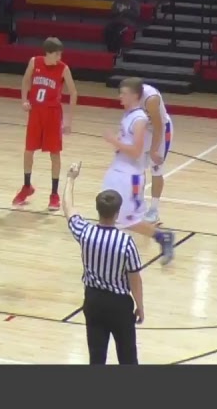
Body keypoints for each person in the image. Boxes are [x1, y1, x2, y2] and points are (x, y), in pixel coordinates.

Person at [62, 162, 143, 365]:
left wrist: (70, 179)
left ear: (97, 210)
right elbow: (135, 279)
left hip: (93, 301)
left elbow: (68, 208)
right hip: (119, 305)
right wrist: (140, 306)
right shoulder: (126, 243)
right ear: (117, 213)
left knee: (96, 358)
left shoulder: (85, 232)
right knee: (128, 358)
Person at [100, 79, 176, 260]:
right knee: (111, 212)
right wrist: (118, 141)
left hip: (130, 175)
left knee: (124, 218)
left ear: (135, 95)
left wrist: (115, 141)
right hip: (118, 170)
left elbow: (137, 150)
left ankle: (157, 228)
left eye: (123, 93)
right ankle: (159, 236)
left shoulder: (142, 114)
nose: (119, 96)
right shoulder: (128, 114)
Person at [16, 38, 77, 210]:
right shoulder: (34, 62)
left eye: (60, 54)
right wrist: (24, 100)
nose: (60, 57)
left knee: (54, 154)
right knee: (28, 151)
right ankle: (27, 186)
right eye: (57, 54)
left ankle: (54, 194)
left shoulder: (63, 68)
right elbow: (25, 81)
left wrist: (68, 120)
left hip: (52, 114)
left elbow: (73, 93)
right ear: (48, 53)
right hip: (35, 112)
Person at [134, 79, 173, 224]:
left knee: (156, 169)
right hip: (144, 130)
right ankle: (139, 205)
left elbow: (158, 127)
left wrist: (154, 150)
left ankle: (154, 210)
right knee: (137, 168)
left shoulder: (151, 98)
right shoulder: (128, 99)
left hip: (161, 130)